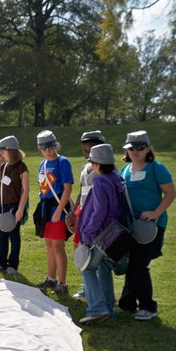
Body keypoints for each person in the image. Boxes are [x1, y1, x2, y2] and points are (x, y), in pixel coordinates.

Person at [117, 130, 176, 321]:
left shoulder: (156, 168)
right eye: (132, 148)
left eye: (140, 147)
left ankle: (148, 307)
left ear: (148, 149)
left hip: (151, 225)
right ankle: (127, 304)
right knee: (134, 263)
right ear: (127, 150)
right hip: (131, 225)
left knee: (139, 264)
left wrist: (155, 213)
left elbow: (170, 193)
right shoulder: (125, 170)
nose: (136, 151)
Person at [77, 144, 124, 325]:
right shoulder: (116, 178)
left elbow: (98, 211)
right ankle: (109, 308)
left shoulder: (100, 181)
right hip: (113, 232)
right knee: (103, 269)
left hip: (100, 234)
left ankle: (96, 308)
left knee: (87, 268)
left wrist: (88, 233)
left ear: (96, 165)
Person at [34, 130, 74, 296]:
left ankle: (62, 282)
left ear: (55, 145)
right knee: (49, 245)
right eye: (45, 149)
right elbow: (42, 186)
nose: (48, 151)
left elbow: (67, 188)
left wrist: (59, 211)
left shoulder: (63, 162)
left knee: (58, 245)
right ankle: (51, 278)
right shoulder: (42, 164)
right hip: (46, 209)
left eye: (50, 147)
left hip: (58, 208)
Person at [70, 131, 106, 299]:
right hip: (83, 215)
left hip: (96, 217)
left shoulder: (104, 169)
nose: (87, 153)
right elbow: (81, 192)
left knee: (96, 257)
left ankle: (99, 291)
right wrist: (74, 211)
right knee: (82, 251)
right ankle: (87, 287)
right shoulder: (84, 168)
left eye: (90, 149)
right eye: (85, 150)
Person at [0, 136, 29, 275]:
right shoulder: (4, 166)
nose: (0, 154)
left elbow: (26, 190)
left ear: (10, 151)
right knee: (2, 235)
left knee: (14, 236)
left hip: (13, 206)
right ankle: (1, 263)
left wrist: (20, 210)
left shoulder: (21, 167)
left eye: (2, 152)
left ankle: (13, 265)